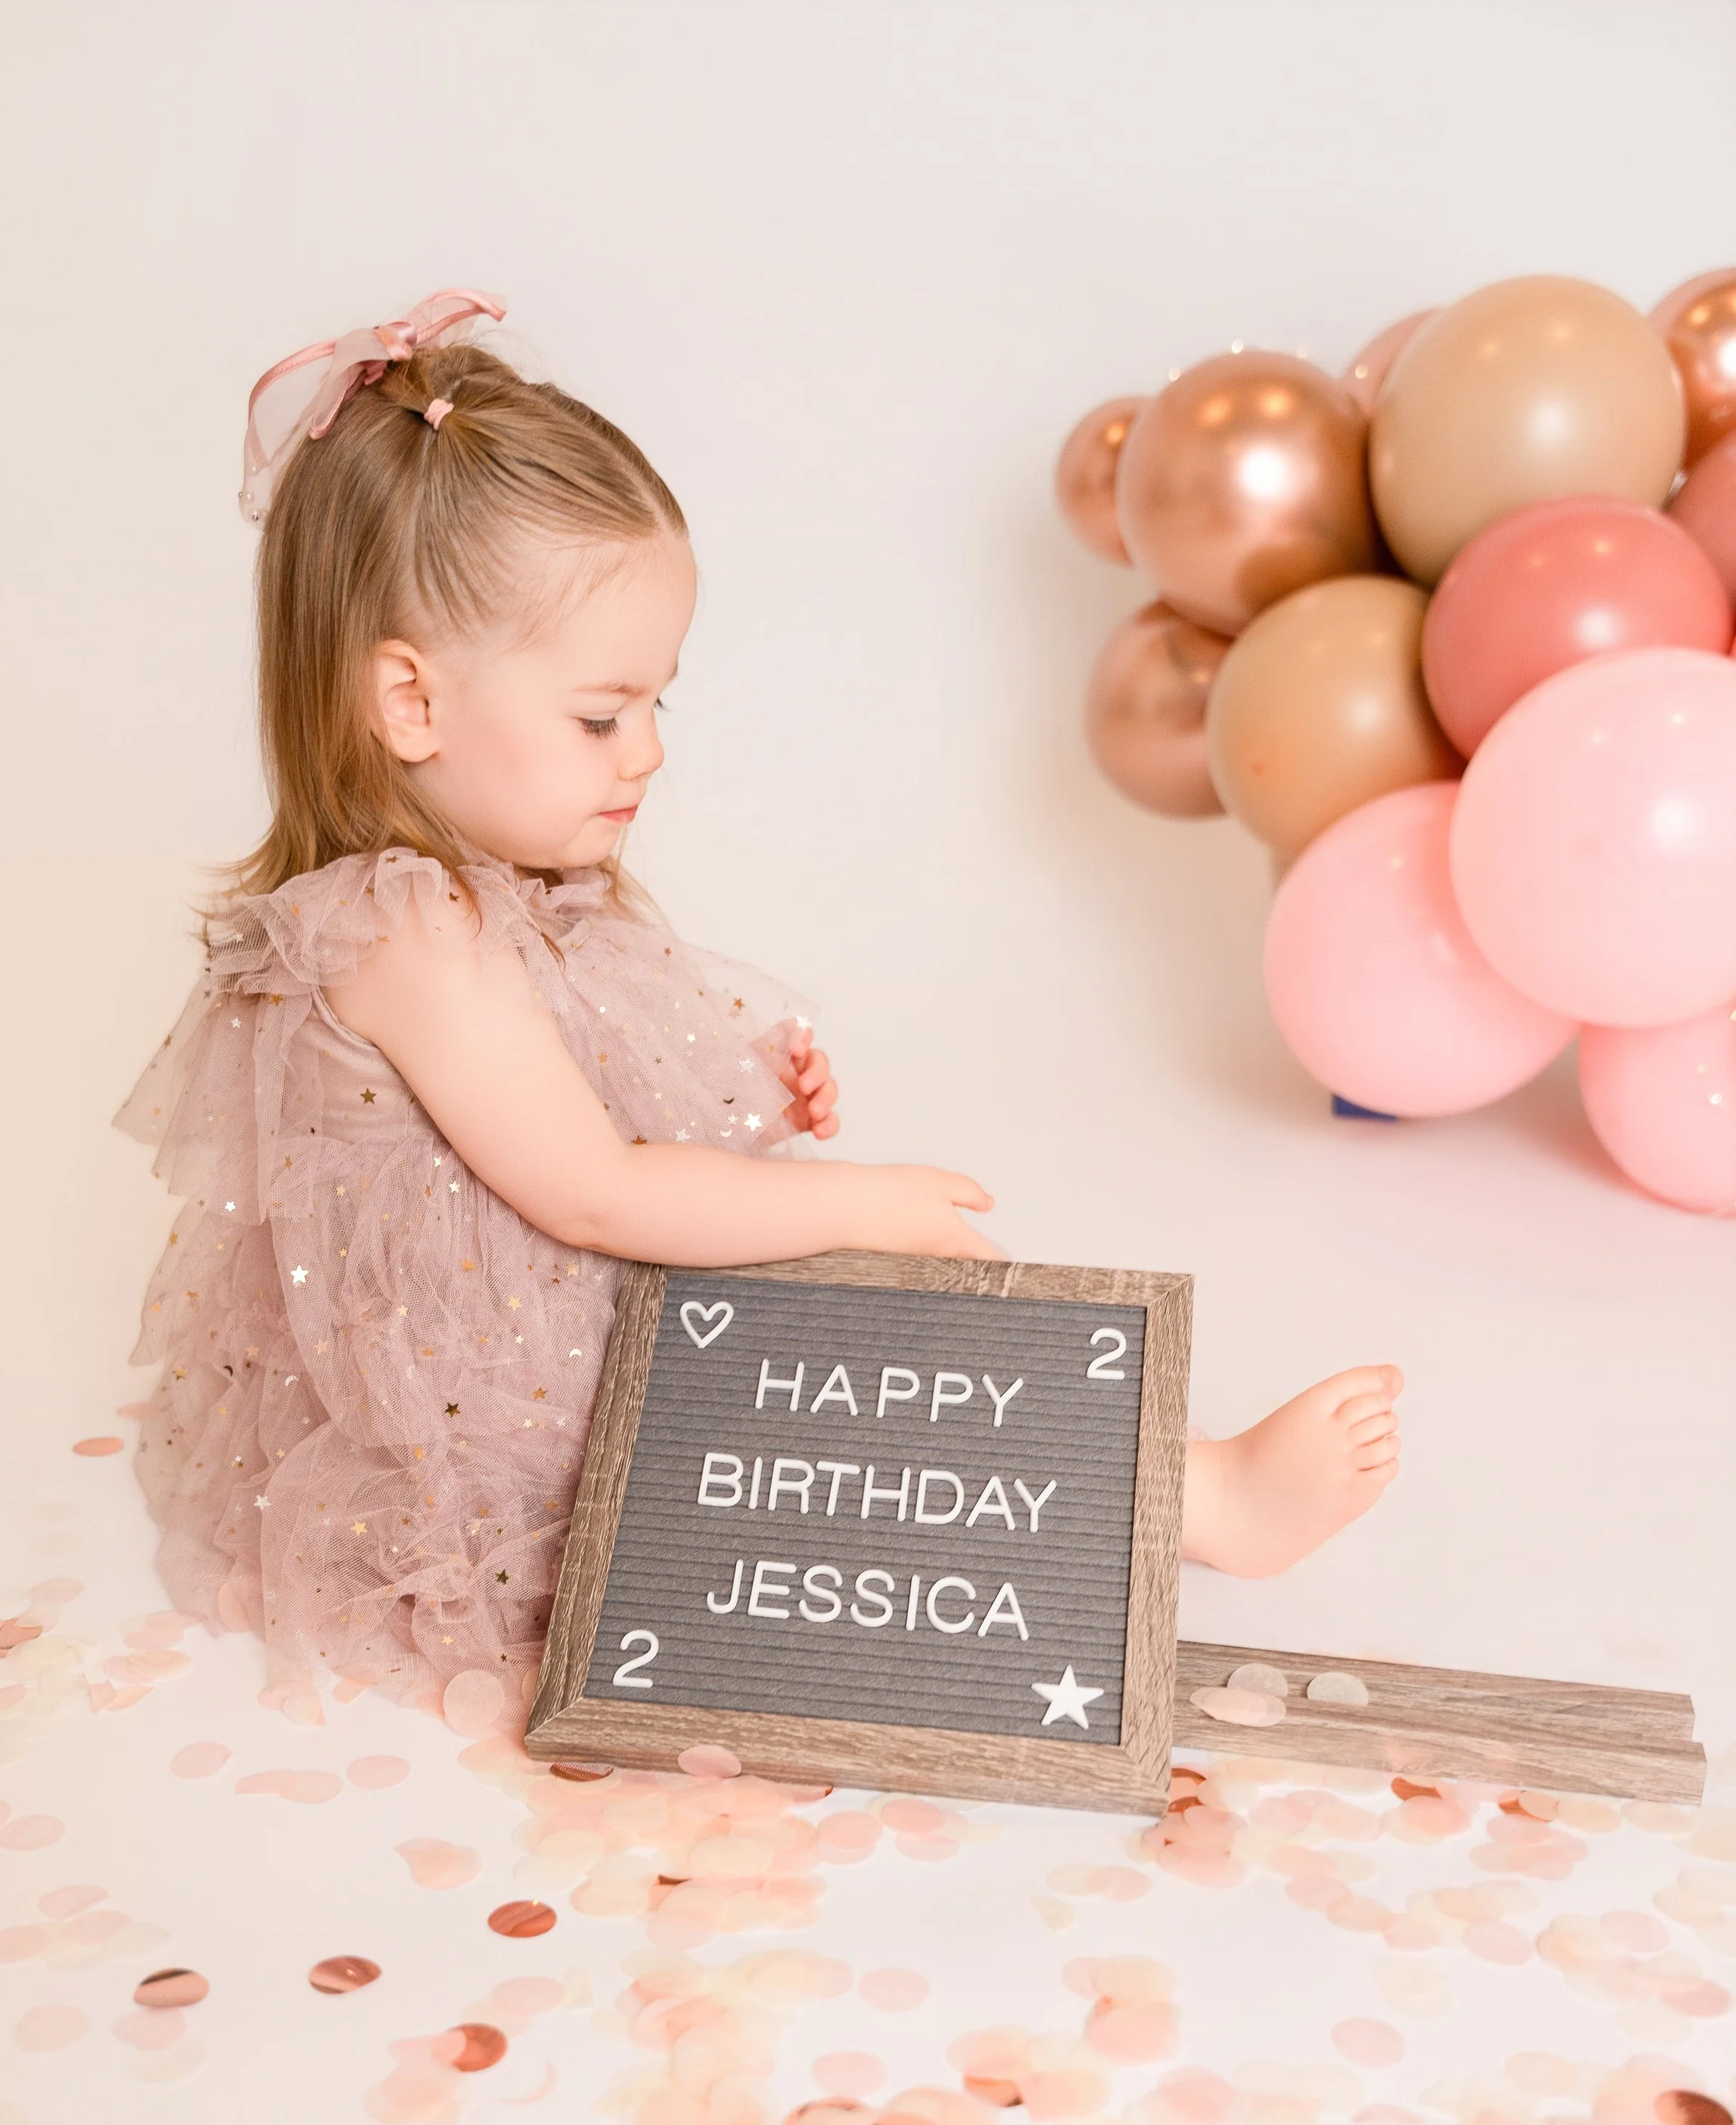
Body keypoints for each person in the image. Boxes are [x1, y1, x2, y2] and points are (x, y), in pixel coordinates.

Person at [120, 291, 1402, 1724]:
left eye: (660, 701)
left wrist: (741, 1103)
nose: (649, 751)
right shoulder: (407, 931)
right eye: (602, 715)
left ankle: (1178, 1475)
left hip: (580, 1296)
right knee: (841, 1365)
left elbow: (582, 1114)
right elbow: (595, 1194)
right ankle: (1189, 1496)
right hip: (512, 1407)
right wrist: (846, 1199)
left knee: (852, 1329)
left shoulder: (516, 889)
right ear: (409, 703)